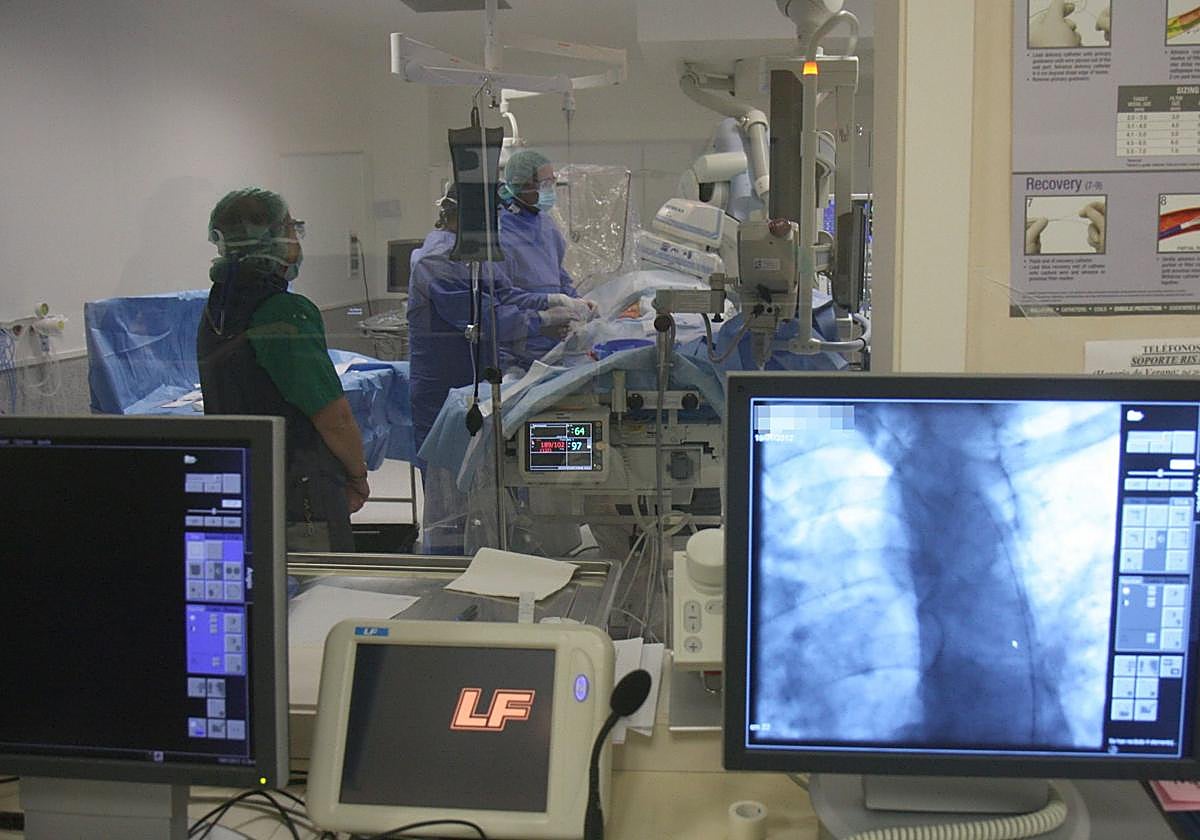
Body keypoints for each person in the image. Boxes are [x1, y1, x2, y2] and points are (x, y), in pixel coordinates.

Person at [197, 187, 370, 552]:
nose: (296, 239)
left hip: (242, 479)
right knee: (319, 595)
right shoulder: (284, 314)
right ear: (270, 239)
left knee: (264, 591)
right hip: (298, 488)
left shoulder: (216, 309)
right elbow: (333, 419)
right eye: (291, 229)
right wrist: (357, 474)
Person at [407, 183, 576, 553]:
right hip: (443, 390)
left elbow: (503, 294)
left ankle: (501, 555)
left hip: (479, 384)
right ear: (468, 217)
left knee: (495, 485)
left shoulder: (475, 254)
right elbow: (485, 316)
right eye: (493, 216)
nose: (499, 224)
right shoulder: (436, 260)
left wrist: (551, 299)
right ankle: (450, 568)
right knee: (451, 497)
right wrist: (542, 319)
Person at [498, 149, 598, 358]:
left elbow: (558, 276)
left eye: (552, 182)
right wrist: (549, 307)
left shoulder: (546, 224)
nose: (550, 189)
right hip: (516, 346)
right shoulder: (500, 232)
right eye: (545, 184)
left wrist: (577, 303)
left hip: (554, 344)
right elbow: (502, 295)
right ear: (523, 185)